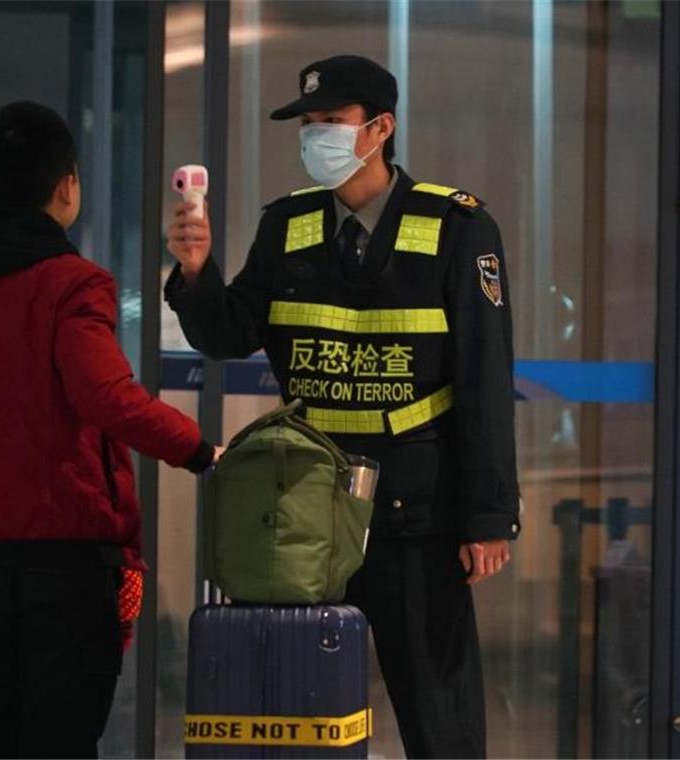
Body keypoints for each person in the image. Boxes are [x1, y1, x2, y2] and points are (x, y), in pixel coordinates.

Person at [164, 55, 521, 759]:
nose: (315, 136)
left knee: (438, 718)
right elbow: (230, 335)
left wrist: (488, 515)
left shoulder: (457, 227)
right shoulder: (288, 226)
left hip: (416, 511)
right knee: (297, 708)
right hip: (305, 513)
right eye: (308, 124)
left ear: (380, 128)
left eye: (332, 121)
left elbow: (485, 378)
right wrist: (197, 271)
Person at [0, 100, 217, 759]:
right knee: (61, 742)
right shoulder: (72, 285)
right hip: (63, 566)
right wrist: (201, 450)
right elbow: (107, 397)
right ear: (67, 187)